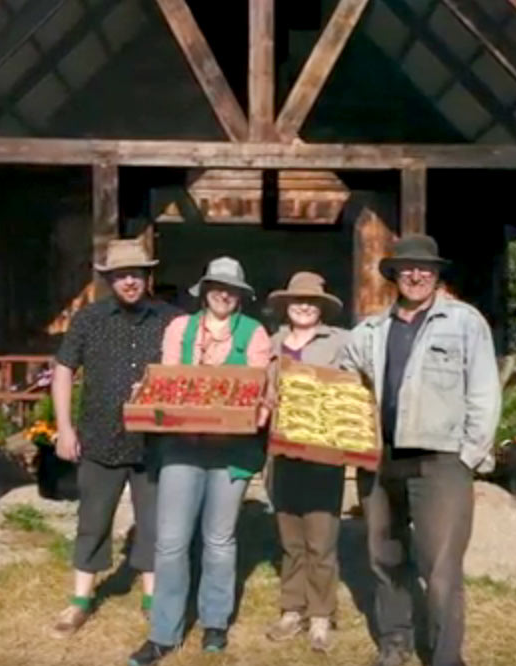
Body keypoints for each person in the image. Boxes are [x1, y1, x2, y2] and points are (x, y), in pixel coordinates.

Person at [338, 233, 501, 666]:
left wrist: (468, 456)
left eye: (424, 269)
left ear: (436, 275)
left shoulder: (464, 322)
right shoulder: (372, 329)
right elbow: (340, 375)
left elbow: (485, 392)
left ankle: (446, 656)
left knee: (441, 568)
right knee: (384, 558)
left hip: (441, 461)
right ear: (393, 276)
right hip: (380, 458)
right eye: (406, 268)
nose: (415, 275)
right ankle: (395, 641)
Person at [128, 256, 273, 666]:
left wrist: (258, 410)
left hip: (233, 450)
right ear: (205, 291)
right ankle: (163, 633)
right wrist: (152, 391)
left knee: (219, 541)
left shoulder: (255, 333)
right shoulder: (180, 329)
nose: (223, 294)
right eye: (216, 287)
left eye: (231, 289)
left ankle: (214, 622)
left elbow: (257, 387)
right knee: (171, 542)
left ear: (240, 296)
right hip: (183, 445)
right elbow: (172, 380)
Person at [49, 239, 180, 637]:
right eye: (121, 276)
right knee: (93, 520)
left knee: (154, 523)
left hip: (154, 442)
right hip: (99, 437)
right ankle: (80, 602)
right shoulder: (89, 319)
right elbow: (63, 370)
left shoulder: (171, 320)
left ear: (147, 277)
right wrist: (65, 428)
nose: (129, 282)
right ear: (109, 279)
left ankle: (152, 600)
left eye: (136, 275)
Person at [261, 272, 350, 652]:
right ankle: (292, 609)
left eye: (311, 301)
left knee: (321, 539)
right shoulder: (273, 342)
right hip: (280, 452)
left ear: (321, 308)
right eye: (297, 300)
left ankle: (320, 615)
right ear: (286, 305)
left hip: (322, 452)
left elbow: (353, 388)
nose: (303, 306)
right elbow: (264, 389)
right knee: (290, 538)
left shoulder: (341, 342)